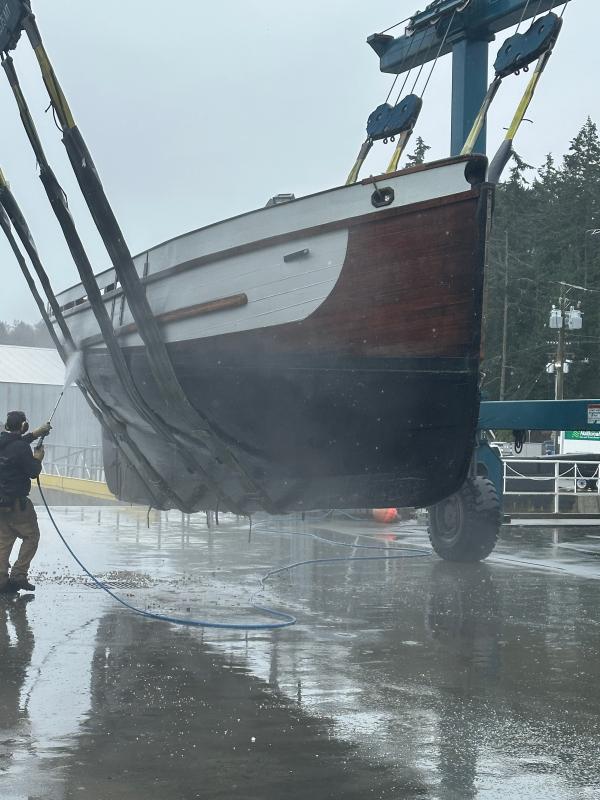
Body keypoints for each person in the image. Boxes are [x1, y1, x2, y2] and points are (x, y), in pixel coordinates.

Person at [0, 411, 51, 593]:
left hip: (1, 504)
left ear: (7, 426)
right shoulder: (21, 448)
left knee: (3, 542)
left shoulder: (2, 441)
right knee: (31, 537)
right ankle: (19, 575)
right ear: (23, 426)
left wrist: (36, 434)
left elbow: (15, 444)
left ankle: (1, 581)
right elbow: (32, 472)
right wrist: (37, 459)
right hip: (18, 505)